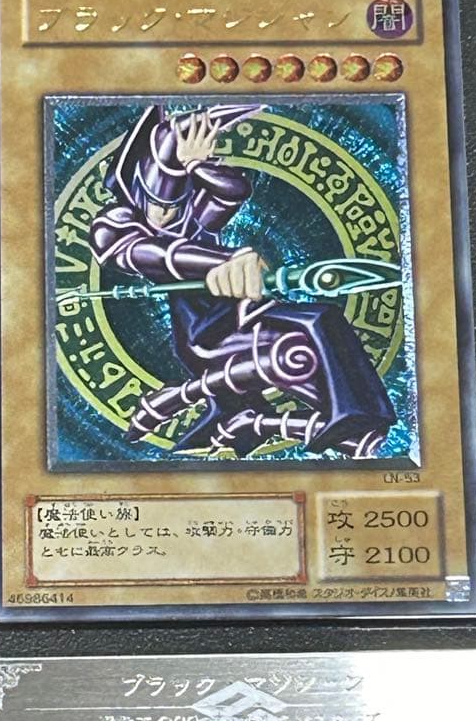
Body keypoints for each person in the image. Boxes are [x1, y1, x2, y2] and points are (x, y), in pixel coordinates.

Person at [90, 104, 395, 458]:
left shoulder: (191, 217)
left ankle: (347, 416)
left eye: (173, 207)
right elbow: (154, 254)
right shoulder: (117, 227)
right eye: (157, 206)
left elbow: (233, 191)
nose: (166, 216)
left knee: (319, 320)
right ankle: (330, 418)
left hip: (240, 313)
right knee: (298, 347)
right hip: (204, 334)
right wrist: (221, 262)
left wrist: (198, 166)